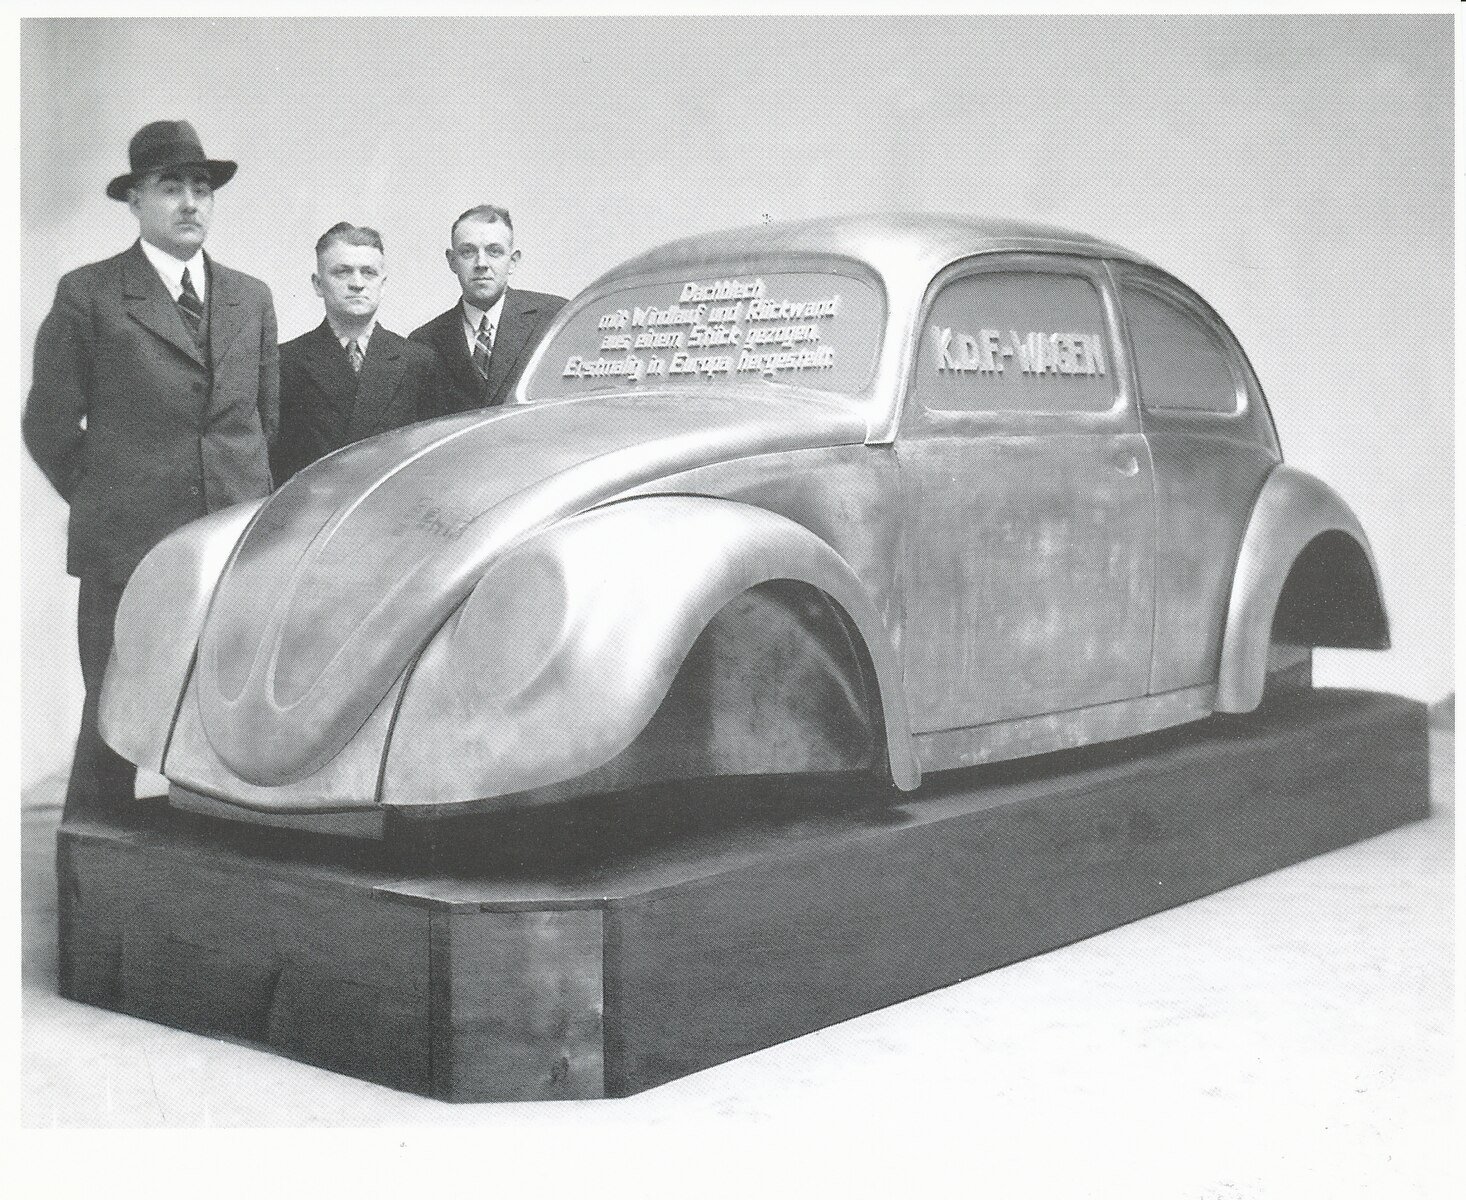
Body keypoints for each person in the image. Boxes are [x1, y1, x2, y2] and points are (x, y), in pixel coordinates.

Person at [23, 119, 279, 820]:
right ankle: (88, 901)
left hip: (229, 548)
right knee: (113, 715)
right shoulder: (91, 294)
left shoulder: (249, 297)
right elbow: (45, 424)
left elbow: (264, 421)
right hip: (125, 549)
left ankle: (219, 887)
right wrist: (109, 496)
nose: (191, 202)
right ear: (135, 200)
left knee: (224, 718)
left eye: (202, 188)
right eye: (172, 188)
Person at [272, 223, 438, 484]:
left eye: (369, 273)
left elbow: (431, 463)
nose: (357, 284)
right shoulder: (285, 363)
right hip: (314, 514)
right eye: (342, 272)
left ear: (383, 284)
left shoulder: (418, 362)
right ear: (318, 284)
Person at [410, 204, 565, 414]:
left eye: (494, 251)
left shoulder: (555, 319)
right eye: (468, 252)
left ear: (513, 261)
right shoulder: (424, 342)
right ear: (452, 261)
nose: (481, 263)